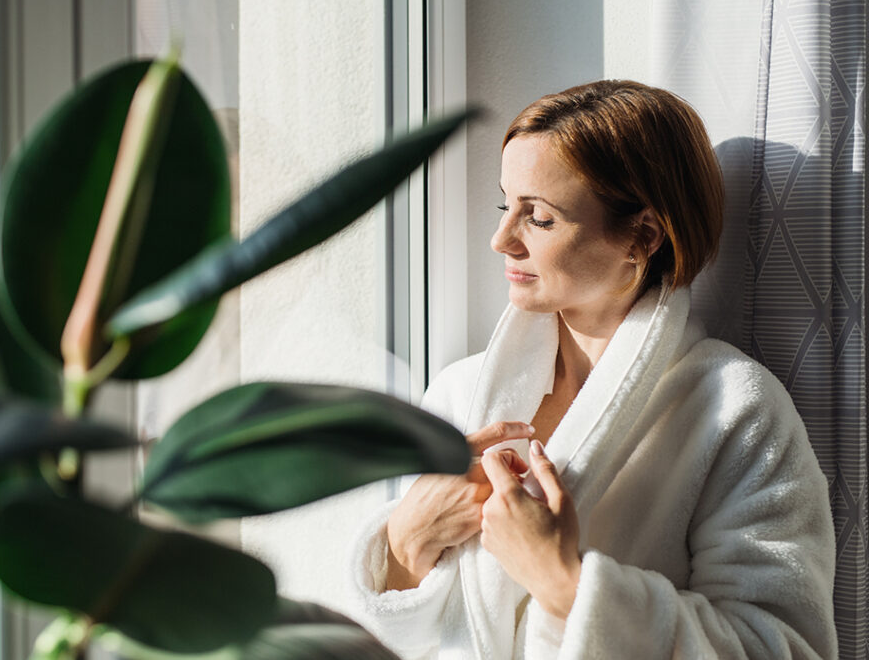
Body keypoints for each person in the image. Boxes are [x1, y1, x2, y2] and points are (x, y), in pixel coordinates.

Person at [347, 80, 837, 659]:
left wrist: (566, 586)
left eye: (542, 219)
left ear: (643, 236)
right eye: (508, 205)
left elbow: (785, 647)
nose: (501, 238)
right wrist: (406, 544)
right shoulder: (460, 392)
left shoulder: (735, 409)